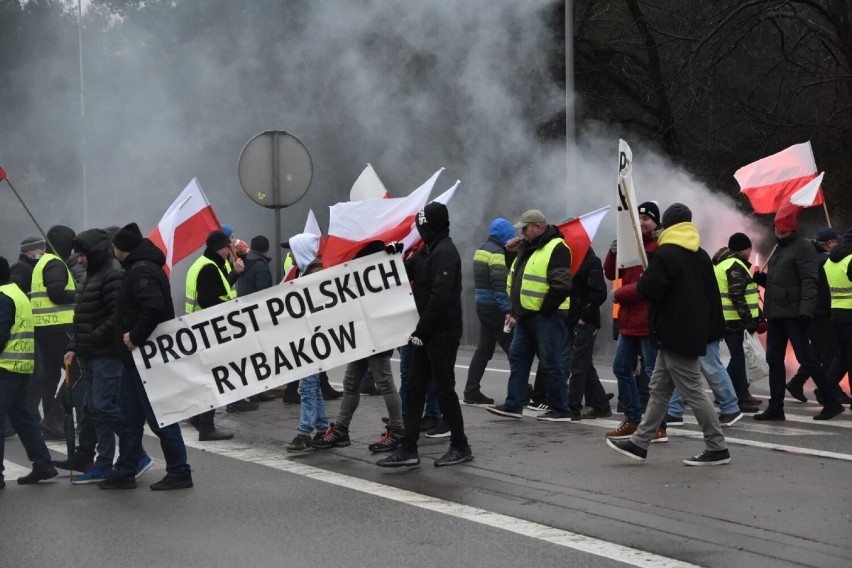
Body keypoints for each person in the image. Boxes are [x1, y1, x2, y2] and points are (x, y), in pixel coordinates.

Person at [606, 203, 731, 466]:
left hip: (674, 332)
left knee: (693, 391)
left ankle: (717, 447)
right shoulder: (700, 254)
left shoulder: (667, 254)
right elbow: (711, 296)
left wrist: (624, 289)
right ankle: (640, 443)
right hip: (688, 331)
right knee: (659, 388)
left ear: (667, 225)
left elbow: (649, 288)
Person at [98, 223, 193, 490]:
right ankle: (125, 470)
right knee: (129, 418)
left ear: (121, 248)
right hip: (135, 361)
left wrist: (135, 336)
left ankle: (179, 471)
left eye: (114, 246)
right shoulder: (140, 267)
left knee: (159, 417)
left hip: (146, 358)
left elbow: (153, 307)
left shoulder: (140, 271)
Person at [378, 202, 473, 467]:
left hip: (441, 332)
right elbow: (408, 271)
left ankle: (460, 445)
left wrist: (422, 330)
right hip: (426, 332)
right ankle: (409, 447)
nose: (419, 229)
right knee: (414, 386)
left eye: (422, 225)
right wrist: (394, 257)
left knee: (444, 389)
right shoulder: (428, 250)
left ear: (431, 226)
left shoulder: (445, 253)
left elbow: (440, 297)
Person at [55, 229, 152, 483]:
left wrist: (91, 338)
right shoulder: (91, 275)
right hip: (89, 353)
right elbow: (82, 316)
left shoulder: (112, 274)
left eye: (82, 255)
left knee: (104, 408)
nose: (79, 260)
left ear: (94, 253)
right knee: (95, 410)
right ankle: (114, 460)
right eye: (77, 256)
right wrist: (74, 346)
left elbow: (115, 317)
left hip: (107, 355)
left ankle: (125, 457)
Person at [752, 213, 845, 421]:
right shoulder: (781, 249)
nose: (778, 230)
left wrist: (805, 310)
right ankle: (776, 407)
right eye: (776, 227)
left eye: (782, 227)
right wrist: (763, 280)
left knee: (808, 358)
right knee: (774, 359)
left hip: (793, 314)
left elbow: (810, 282)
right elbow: (783, 285)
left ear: (792, 228)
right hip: (776, 313)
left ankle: (831, 402)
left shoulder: (803, 248)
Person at [487, 208, 573, 422]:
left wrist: (545, 310)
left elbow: (561, 285)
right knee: (518, 358)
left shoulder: (557, 247)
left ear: (538, 227)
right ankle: (513, 404)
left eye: (525, 228)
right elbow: (516, 275)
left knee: (551, 362)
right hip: (525, 315)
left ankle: (560, 409)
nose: (522, 232)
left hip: (546, 316)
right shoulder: (527, 247)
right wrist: (510, 252)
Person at [603, 202, 660, 438]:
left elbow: (648, 286)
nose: (642, 222)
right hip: (628, 320)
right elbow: (610, 273)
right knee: (621, 368)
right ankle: (633, 418)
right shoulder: (630, 245)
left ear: (656, 222)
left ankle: (660, 424)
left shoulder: (659, 247)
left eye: (647, 218)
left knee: (654, 374)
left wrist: (619, 294)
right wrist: (613, 251)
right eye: (639, 218)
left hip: (649, 319)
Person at [0, 256, 58, 487]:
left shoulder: (3, 297)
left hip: (5, 367)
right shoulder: (17, 293)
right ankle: (43, 464)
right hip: (21, 366)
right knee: (23, 418)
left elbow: (1, 334)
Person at [184, 230, 245, 437]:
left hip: (198, 327)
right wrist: (232, 308)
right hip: (207, 329)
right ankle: (207, 427)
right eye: (228, 247)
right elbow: (208, 300)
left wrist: (234, 274)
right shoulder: (209, 268)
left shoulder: (201, 264)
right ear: (220, 248)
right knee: (210, 379)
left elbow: (218, 289)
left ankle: (197, 416)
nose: (230, 251)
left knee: (203, 377)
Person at [785, 227, 848, 403]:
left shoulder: (810, 258)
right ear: (830, 243)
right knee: (830, 352)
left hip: (811, 312)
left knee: (817, 351)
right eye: (836, 241)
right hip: (824, 312)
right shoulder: (825, 261)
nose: (839, 244)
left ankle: (797, 382)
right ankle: (831, 391)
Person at [29, 225, 77, 440]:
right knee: (76, 373)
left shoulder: (43, 262)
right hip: (59, 326)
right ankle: (54, 416)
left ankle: (50, 420)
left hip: (44, 327)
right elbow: (57, 293)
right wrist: (80, 294)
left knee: (51, 375)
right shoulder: (56, 263)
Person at [284, 233, 331, 453]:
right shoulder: (304, 272)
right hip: (308, 337)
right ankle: (323, 429)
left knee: (307, 386)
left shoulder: (315, 275)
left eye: (292, 249)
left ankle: (304, 433)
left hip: (314, 338)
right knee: (312, 387)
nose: (289, 254)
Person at [463, 218, 516, 406]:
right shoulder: (497, 254)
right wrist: (507, 310)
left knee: (484, 350)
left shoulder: (482, 250)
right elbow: (499, 285)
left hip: (482, 305)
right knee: (514, 350)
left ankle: (471, 390)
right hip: (495, 308)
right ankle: (521, 391)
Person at [712, 232, 763, 413]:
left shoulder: (722, 263)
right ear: (743, 249)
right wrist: (749, 321)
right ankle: (730, 396)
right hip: (734, 320)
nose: (750, 253)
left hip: (725, 318)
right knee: (738, 358)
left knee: (739, 357)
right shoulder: (735, 265)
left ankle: (742, 393)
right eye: (749, 249)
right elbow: (737, 295)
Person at [565, 245, 611, 420]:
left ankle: (572, 408)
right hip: (572, 319)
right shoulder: (570, 260)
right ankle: (601, 405)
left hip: (585, 321)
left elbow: (600, 293)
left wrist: (584, 317)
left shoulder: (591, 261)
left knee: (577, 364)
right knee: (583, 363)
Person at [822, 228, 852, 407]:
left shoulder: (829, 261)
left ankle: (825, 387)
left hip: (836, 314)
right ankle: (826, 389)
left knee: (842, 356)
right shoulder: (850, 260)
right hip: (850, 313)